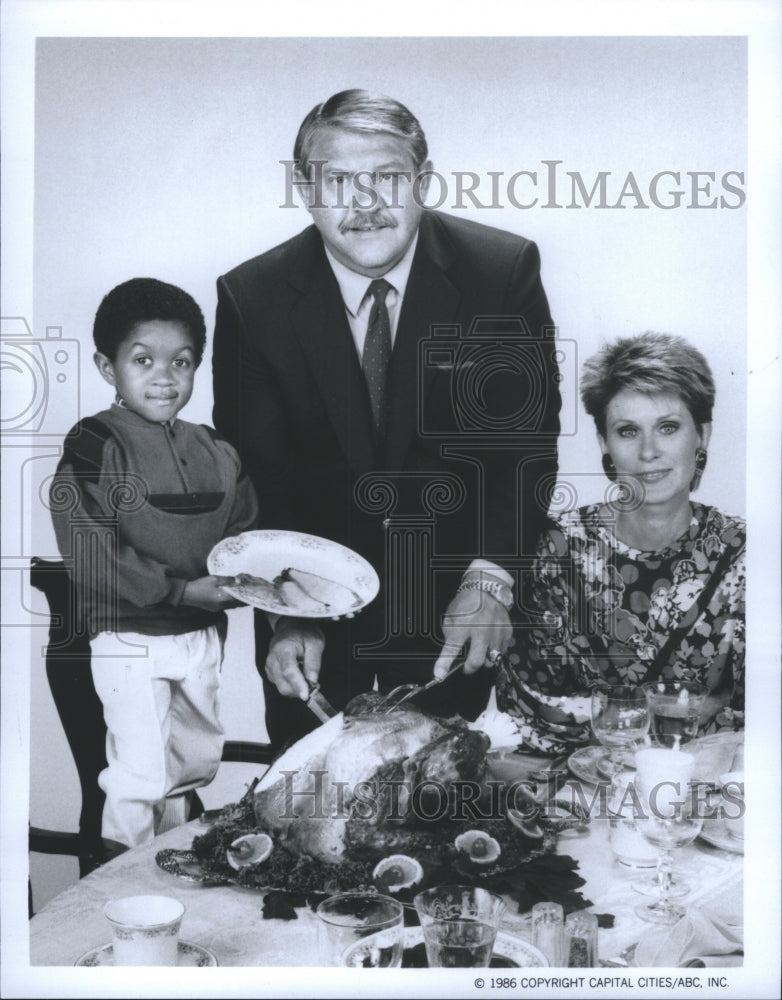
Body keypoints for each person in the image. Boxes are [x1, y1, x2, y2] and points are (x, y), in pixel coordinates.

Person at [212, 89, 561, 748]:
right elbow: (259, 474)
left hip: (459, 617)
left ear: (423, 182)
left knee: (449, 820)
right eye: (340, 180)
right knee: (306, 828)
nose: (365, 204)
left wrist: (491, 581)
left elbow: (524, 450)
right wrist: (289, 611)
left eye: (388, 179)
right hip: (310, 629)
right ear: (303, 186)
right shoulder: (250, 299)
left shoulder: (501, 274)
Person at [50, 278, 259, 853]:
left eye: (183, 362)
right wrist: (180, 590)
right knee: (140, 774)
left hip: (201, 638)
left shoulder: (218, 448)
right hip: (130, 637)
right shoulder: (95, 442)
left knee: (194, 763)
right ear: (106, 365)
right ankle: (123, 901)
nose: (165, 376)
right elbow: (88, 545)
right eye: (143, 360)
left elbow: (244, 531)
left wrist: (244, 581)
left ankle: (174, 875)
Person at [496, 332, 745, 752]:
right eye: (628, 431)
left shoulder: (745, 553)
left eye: (668, 427)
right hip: (577, 794)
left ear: (702, 434)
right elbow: (531, 712)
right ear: (604, 444)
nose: (649, 451)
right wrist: (691, 715)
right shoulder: (557, 549)